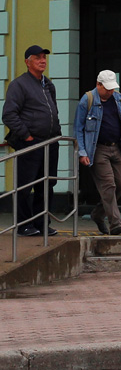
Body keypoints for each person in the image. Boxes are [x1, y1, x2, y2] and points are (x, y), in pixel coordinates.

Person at [74, 70, 121, 236]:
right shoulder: (87, 100)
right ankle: (115, 224)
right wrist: (82, 152)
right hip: (97, 149)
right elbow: (78, 128)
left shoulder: (119, 99)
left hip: (116, 148)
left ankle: (98, 214)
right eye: (107, 88)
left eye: (112, 88)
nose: (110, 91)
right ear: (98, 85)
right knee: (108, 185)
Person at [2, 45, 61, 237]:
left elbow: (54, 111)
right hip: (31, 143)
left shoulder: (48, 84)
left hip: (50, 143)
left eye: (44, 57)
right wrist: (26, 136)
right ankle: (24, 225)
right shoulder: (19, 85)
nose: (43, 60)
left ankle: (42, 223)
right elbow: (9, 115)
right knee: (26, 186)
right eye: (38, 58)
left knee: (47, 185)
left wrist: (56, 134)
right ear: (28, 62)